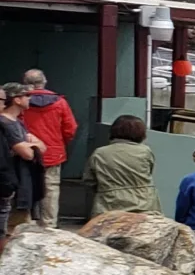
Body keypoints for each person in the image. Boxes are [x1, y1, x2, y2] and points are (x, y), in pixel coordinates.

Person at [16, 69, 77, 228]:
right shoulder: (60, 102)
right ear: (44, 82)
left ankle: (27, 224)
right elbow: (70, 128)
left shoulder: (21, 102)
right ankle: (49, 225)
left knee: (26, 188)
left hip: (26, 152)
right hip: (53, 153)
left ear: (25, 84)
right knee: (51, 189)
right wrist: (60, 143)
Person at [86, 116, 159, 217]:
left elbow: (89, 180)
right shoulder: (145, 151)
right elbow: (149, 172)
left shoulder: (99, 153)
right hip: (144, 206)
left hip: (108, 206)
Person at [0, 87, 41, 238]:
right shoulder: (5, 124)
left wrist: (34, 145)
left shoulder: (18, 122)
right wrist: (32, 146)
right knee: (12, 230)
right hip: (12, 183)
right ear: (16, 99)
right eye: (27, 95)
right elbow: (28, 154)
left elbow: (42, 147)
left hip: (20, 182)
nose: (30, 98)